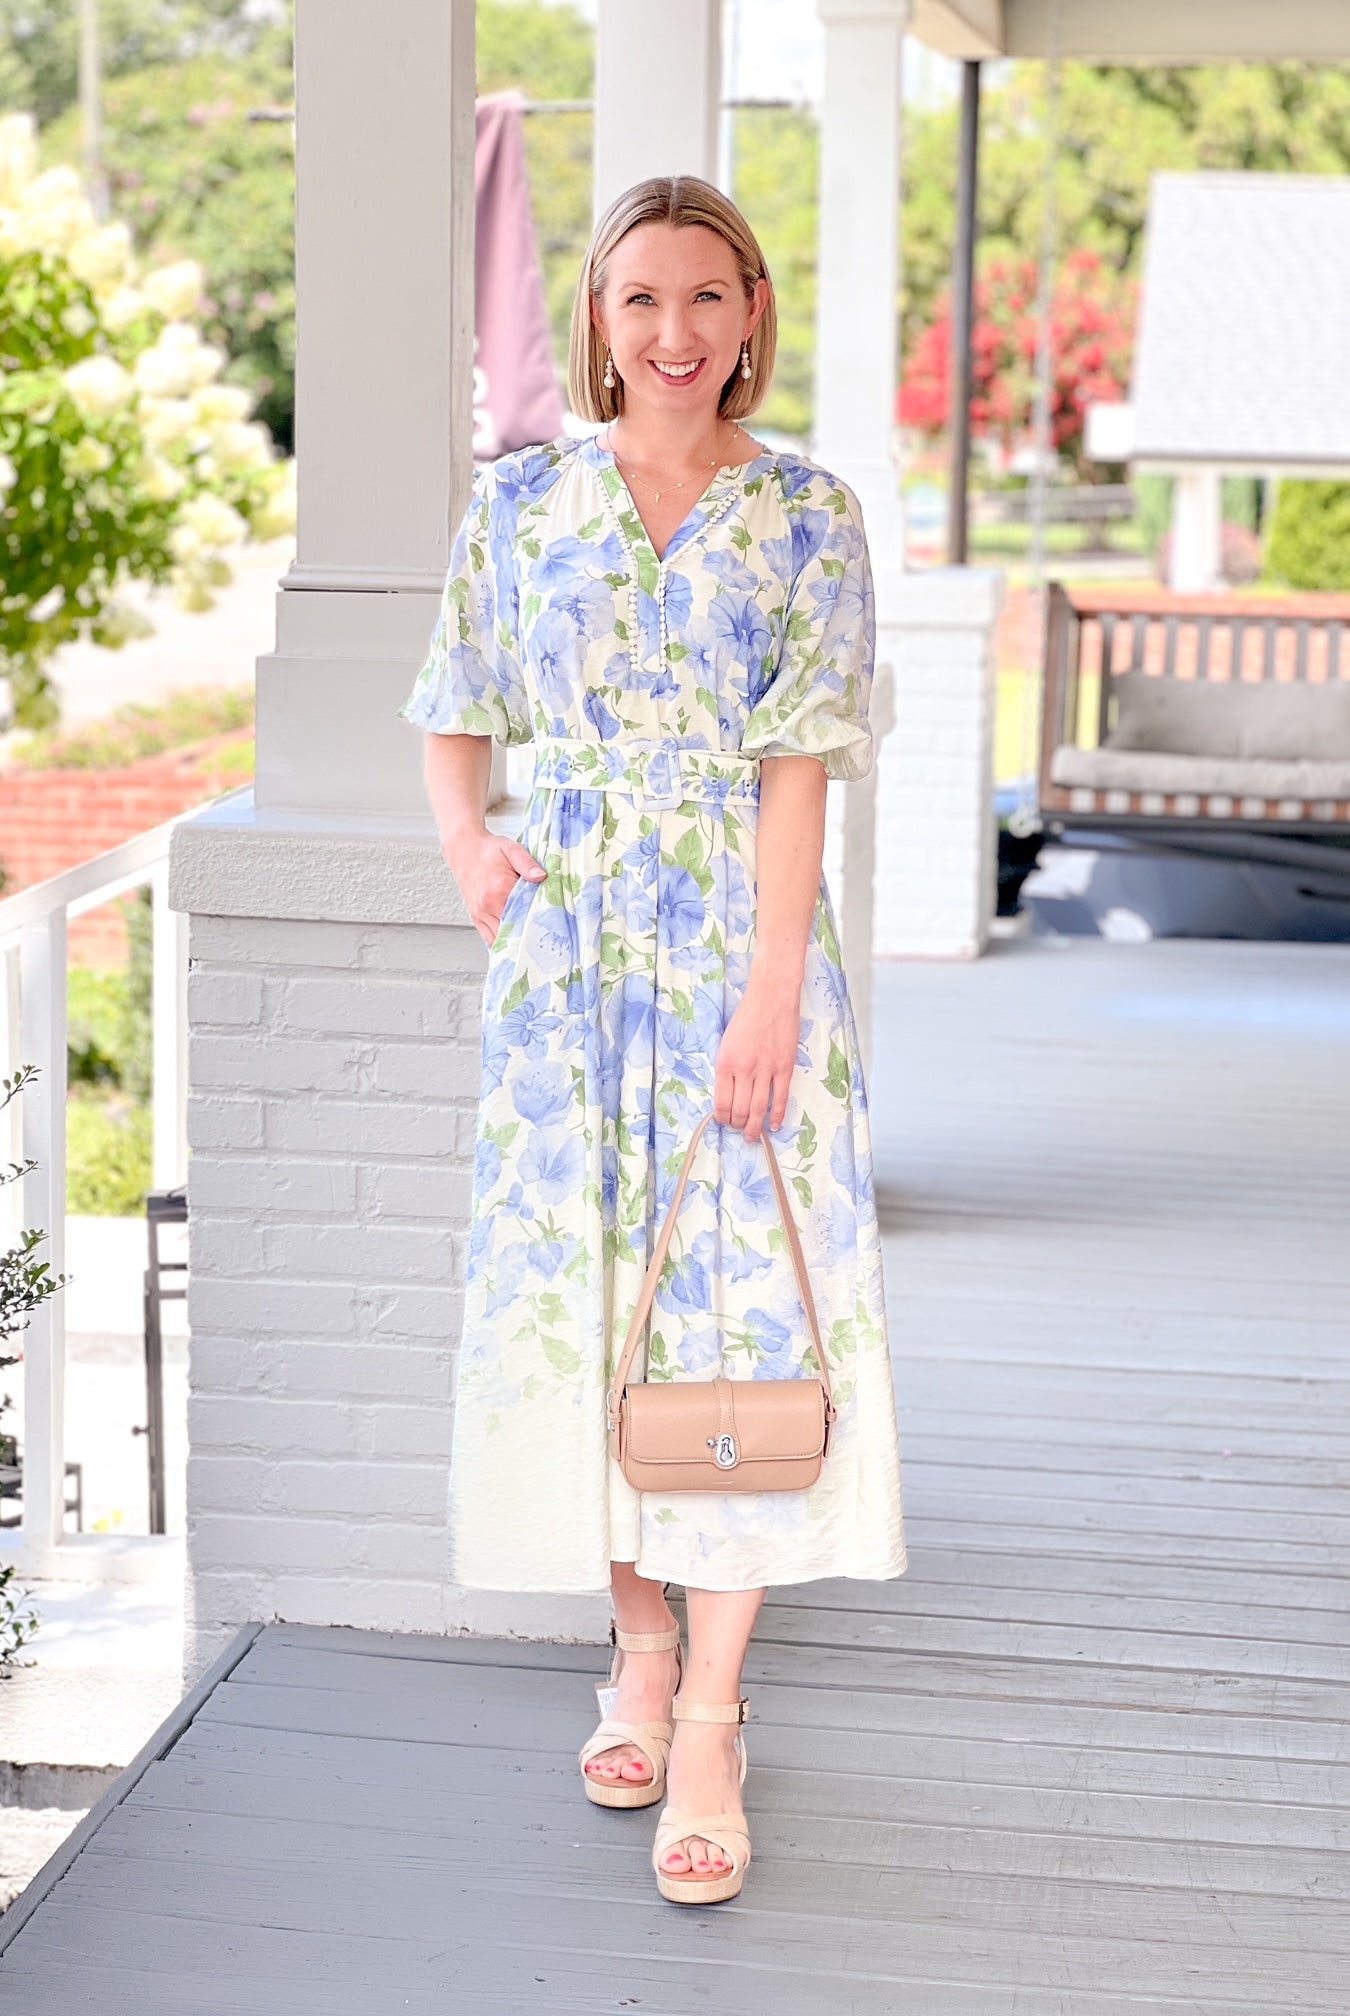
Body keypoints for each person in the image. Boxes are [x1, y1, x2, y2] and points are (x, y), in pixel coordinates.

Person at [398, 174, 905, 1908]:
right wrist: (474, 850)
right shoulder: (525, 504)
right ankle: (631, 1643)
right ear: (598, 324)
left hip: (737, 952)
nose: (673, 331)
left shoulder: (806, 515)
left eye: (707, 296)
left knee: (746, 1300)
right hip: (568, 960)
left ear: (753, 313)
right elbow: (453, 700)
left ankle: (711, 1712)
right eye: (638, 301)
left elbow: (799, 766)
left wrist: (772, 986)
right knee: (591, 1289)